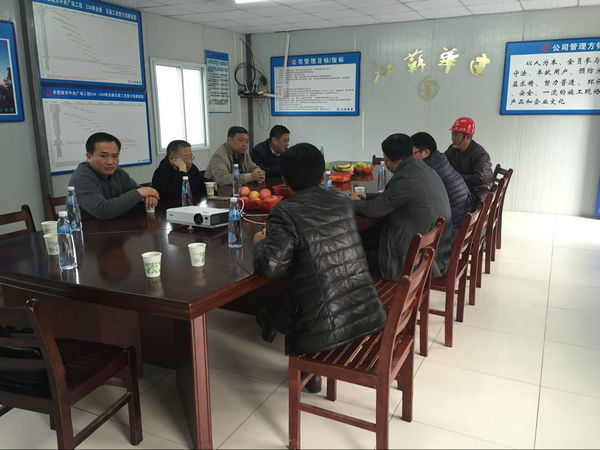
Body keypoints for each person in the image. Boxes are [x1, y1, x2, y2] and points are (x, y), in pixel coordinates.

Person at [253, 143, 386, 394]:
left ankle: (304, 360)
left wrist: (260, 243)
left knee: (299, 283)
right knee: (306, 272)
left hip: (325, 328)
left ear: (284, 180)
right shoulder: (341, 200)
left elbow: (271, 267)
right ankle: (271, 320)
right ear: (322, 176)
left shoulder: (284, 211)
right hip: (365, 311)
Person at [350, 133, 454, 279]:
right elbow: (392, 197)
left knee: (350, 258)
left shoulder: (406, 178)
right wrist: (366, 196)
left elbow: (374, 210)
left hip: (410, 261)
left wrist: (347, 203)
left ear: (386, 158)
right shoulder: (421, 168)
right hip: (435, 253)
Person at [69, 132, 159, 220]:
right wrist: (139, 193)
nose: (110, 162)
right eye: (103, 156)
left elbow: (139, 194)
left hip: (118, 225)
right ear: (89, 157)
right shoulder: (81, 177)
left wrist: (148, 197)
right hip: (88, 228)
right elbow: (102, 210)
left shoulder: (118, 172)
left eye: (115, 156)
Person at [411, 131, 477, 231]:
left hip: (455, 226)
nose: (410, 158)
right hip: (465, 214)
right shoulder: (440, 158)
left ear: (426, 152)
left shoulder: (428, 169)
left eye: (412, 153)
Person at [444, 117, 493, 201]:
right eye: (452, 134)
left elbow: (481, 179)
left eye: (456, 134)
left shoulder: (480, 154)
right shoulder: (453, 149)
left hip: (476, 196)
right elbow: (443, 162)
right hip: (460, 190)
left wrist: (456, 177)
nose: (452, 138)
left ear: (467, 137)